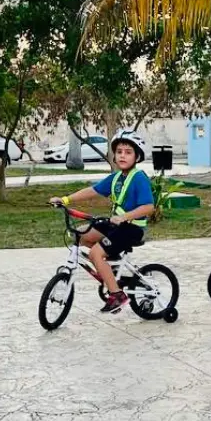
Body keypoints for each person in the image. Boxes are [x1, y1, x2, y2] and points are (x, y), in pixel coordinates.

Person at [49, 130, 155, 314]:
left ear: (137, 156)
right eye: (119, 151)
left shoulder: (138, 178)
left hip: (132, 228)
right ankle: (110, 266)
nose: (122, 155)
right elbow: (92, 191)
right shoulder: (116, 177)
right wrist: (65, 200)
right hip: (116, 225)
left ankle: (117, 295)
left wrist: (124, 217)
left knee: (96, 254)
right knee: (79, 234)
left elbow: (148, 207)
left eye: (128, 152)